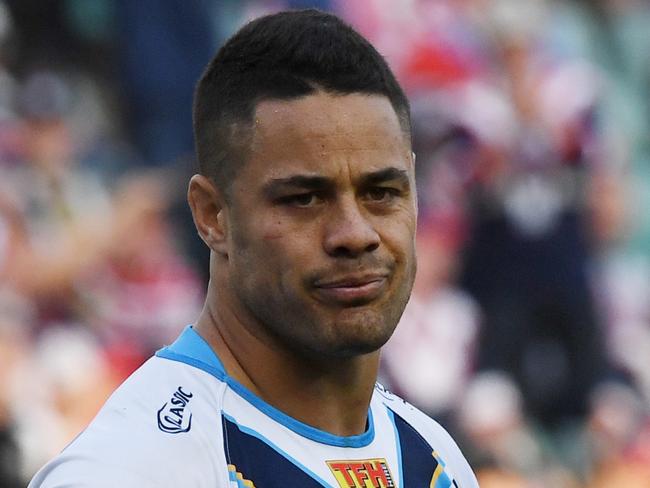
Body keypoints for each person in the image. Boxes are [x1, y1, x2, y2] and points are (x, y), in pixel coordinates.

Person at [29, 9, 478, 487]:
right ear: (211, 215)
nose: (355, 233)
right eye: (303, 198)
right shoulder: (134, 471)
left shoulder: (436, 458)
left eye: (382, 192)